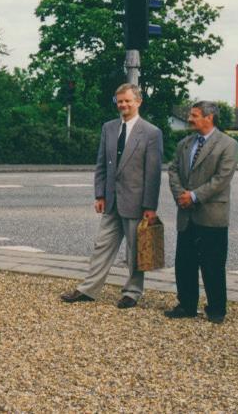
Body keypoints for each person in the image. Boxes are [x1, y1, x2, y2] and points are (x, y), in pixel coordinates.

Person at [61, 83, 163, 308]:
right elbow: (101, 164)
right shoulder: (108, 128)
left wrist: (150, 206)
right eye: (120, 101)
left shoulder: (151, 132)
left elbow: (153, 174)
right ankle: (88, 290)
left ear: (138, 102)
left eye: (127, 101)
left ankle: (132, 292)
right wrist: (100, 194)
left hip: (137, 203)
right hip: (110, 200)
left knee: (135, 251)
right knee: (102, 245)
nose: (123, 105)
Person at [165, 101, 238, 324]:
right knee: (184, 263)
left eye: (194, 115)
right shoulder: (184, 143)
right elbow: (173, 169)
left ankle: (216, 309)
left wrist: (194, 196)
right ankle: (186, 305)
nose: (189, 118)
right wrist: (181, 195)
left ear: (209, 117)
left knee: (213, 265)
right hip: (186, 215)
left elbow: (222, 179)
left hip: (211, 215)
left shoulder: (228, 144)